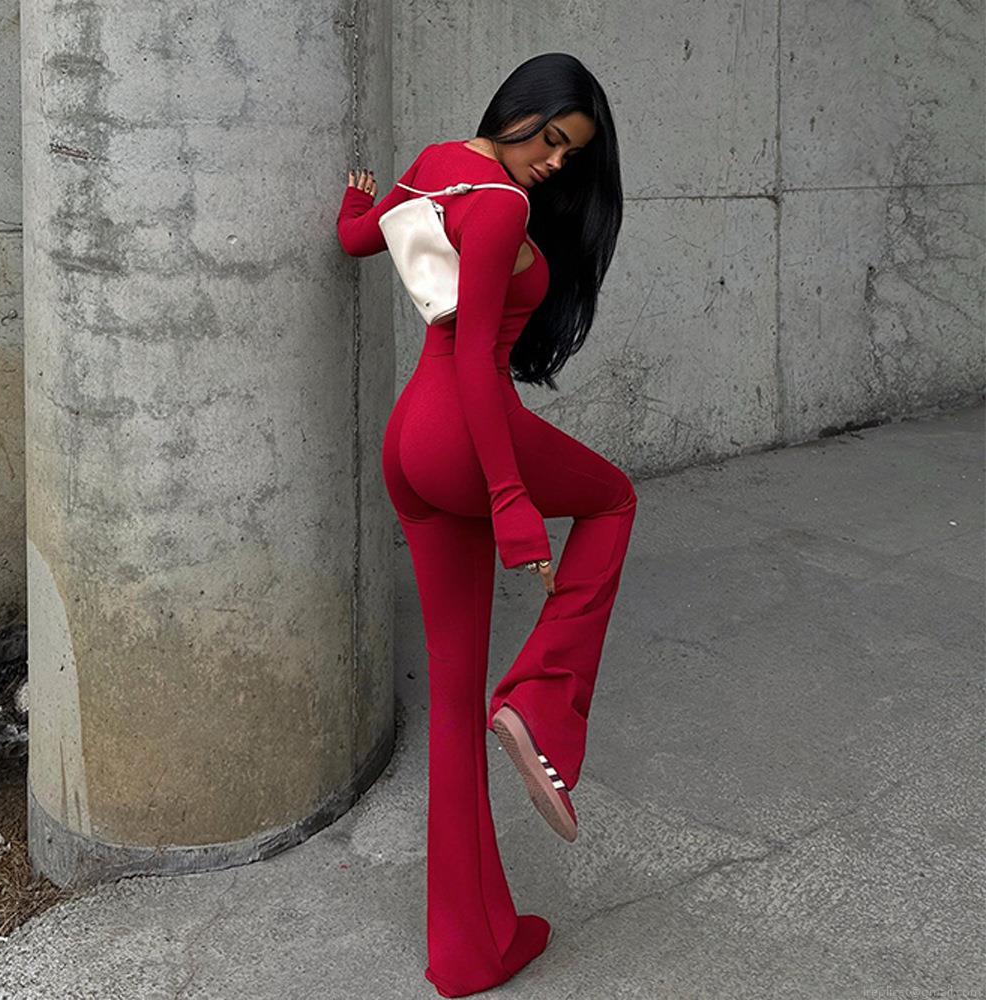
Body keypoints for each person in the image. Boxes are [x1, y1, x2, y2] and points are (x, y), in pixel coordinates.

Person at [337, 51, 637, 999]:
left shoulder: (436, 163)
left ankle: (470, 950)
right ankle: (541, 701)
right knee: (614, 500)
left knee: (455, 704)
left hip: (408, 446)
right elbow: (474, 359)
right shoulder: (502, 204)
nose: (553, 162)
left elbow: (360, 239)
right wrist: (512, 503)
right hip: (466, 433)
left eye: (570, 153)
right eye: (549, 137)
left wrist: (354, 206)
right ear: (519, 107)